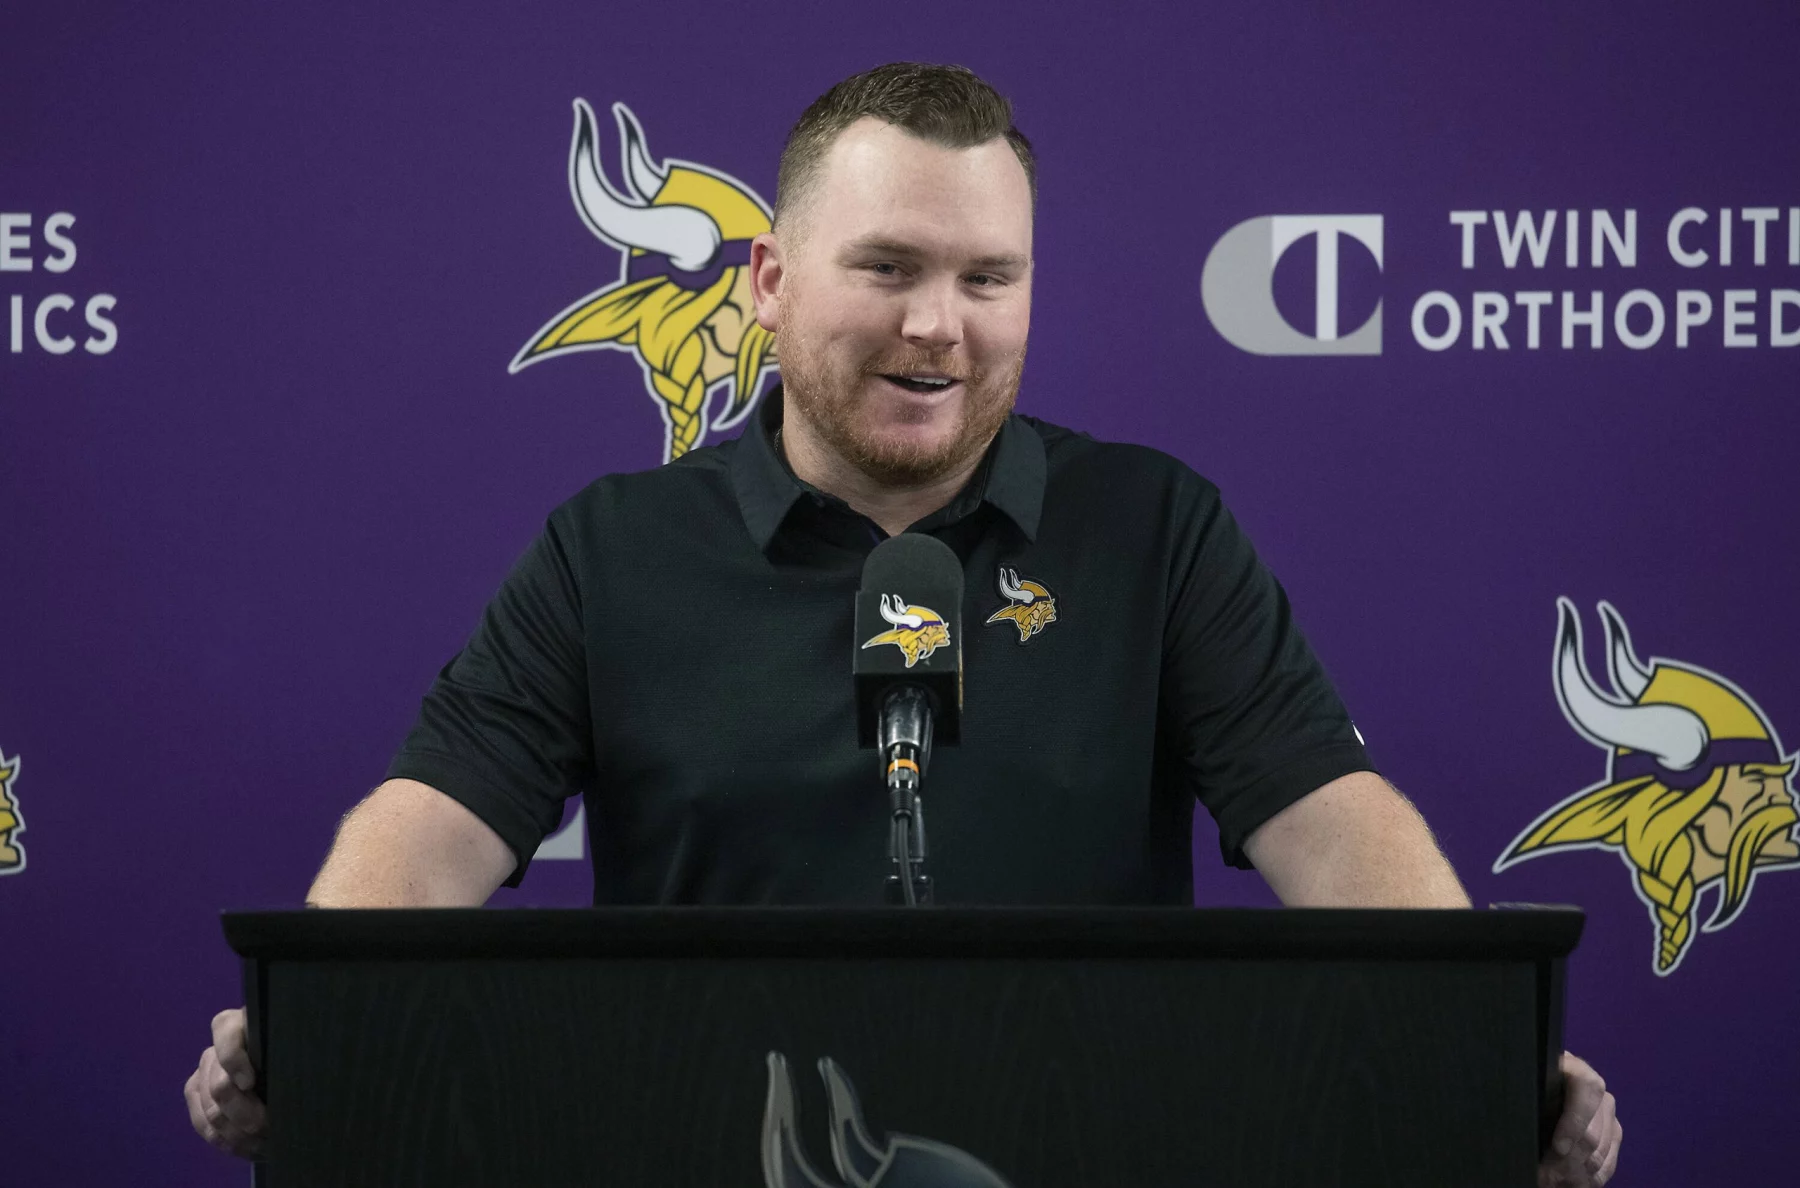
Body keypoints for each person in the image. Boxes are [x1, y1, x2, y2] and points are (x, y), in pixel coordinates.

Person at [184, 62, 1621, 1185]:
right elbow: (431, 829)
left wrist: (1482, 1040)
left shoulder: (1155, 525)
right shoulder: (609, 550)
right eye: (888, 268)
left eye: (989, 279)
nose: (942, 325)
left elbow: (1333, 820)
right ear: (768, 283)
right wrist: (313, 1023)